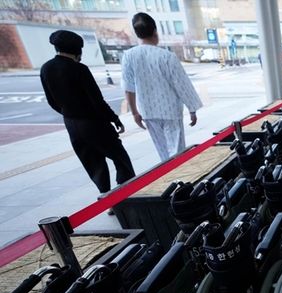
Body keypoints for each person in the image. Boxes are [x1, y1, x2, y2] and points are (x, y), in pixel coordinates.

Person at [40, 30, 136, 195]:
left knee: (93, 164)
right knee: (120, 158)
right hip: (94, 123)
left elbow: (51, 101)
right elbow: (96, 101)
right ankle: (126, 194)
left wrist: (68, 112)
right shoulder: (79, 69)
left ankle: (106, 199)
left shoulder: (46, 68)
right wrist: (114, 119)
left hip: (71, 124)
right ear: (78, 50)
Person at [122, 12, 202, 161]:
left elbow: (128, 87)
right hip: (170, 110)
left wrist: (134, 113)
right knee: (177, 151)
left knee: (163, 152)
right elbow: (181, 84)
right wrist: (192, 109)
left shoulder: (129, 56)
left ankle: (167, 175)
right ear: (155, 31)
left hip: (148, 111)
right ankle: (178, 177)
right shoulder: (166, 56)